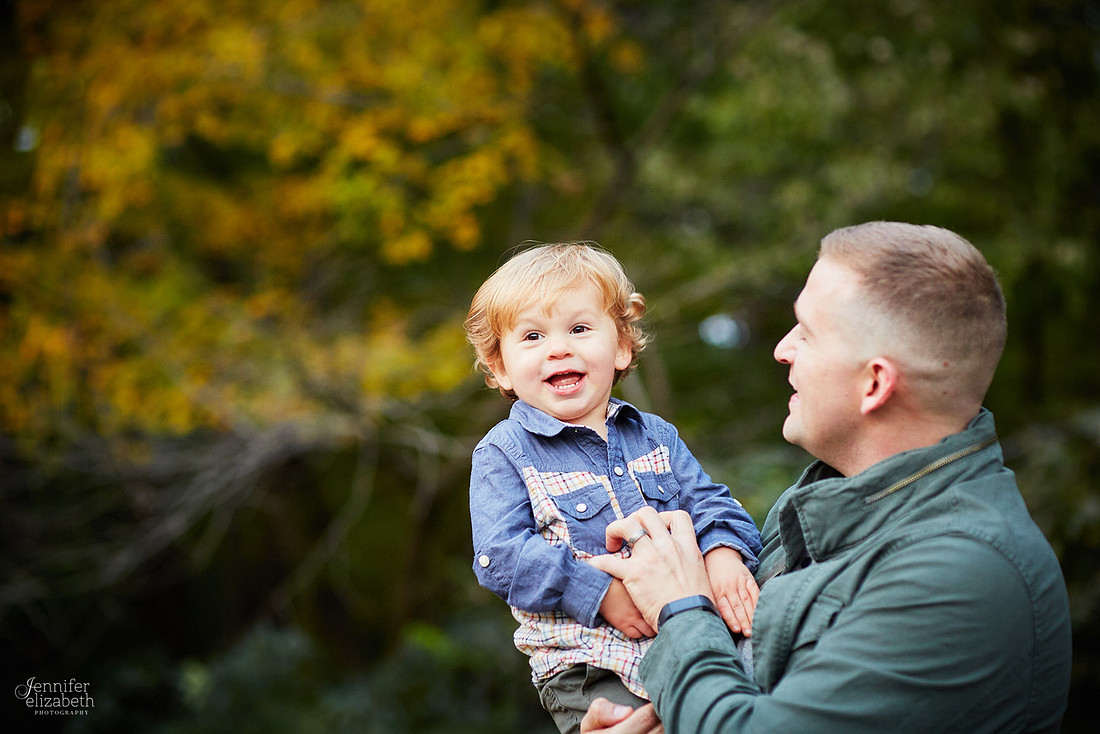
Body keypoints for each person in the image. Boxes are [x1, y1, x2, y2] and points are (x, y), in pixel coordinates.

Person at [583, 222, 1073, 733]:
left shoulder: (961, 574)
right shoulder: (828, 500)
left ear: (874, 383)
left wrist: (680, 607)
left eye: (807, 332)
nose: (782, 349)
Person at [465, 243, 763, 734]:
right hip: (590, 664)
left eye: (579, 329)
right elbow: (500, 555)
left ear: (621, 345)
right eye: (533, 336)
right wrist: (598, 592)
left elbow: (712, 503)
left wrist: (723, 554)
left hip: (692, 636)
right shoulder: (504, 452)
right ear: (500, 368)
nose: (558, 348)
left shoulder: (656, 436)